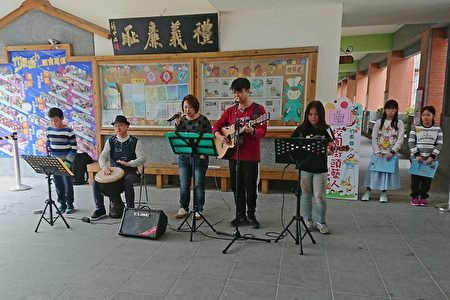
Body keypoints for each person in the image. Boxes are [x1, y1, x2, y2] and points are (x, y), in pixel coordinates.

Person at [213, 77, 267, 229]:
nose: (237, 95)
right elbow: (216, 127)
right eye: (235, 92)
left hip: (251, 157)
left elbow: (263, 131)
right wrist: (222, 137)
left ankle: (251, 215)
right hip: (233, 156)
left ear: (248, 91)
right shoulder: (231, 111)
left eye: (240, 92)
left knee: (250, 188)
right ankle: (240, 215)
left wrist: (253, 130)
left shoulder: (259, 110)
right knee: (236, 187)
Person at [290, 100, 335, 234]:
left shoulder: (326, 129)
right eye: (310, 114)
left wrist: (331, 149)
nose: (313, 117)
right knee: (305, 195)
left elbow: (332, 146)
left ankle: (321, 222)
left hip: (320, 169)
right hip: (304, 167)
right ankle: (308, 221)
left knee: (319, 196)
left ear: (321, 115)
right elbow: (291, 144)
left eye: (316, 114)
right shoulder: (301, 129)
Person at [90, 115, 145, 220]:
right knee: (96, 181)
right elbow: (102, 156)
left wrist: (129, 163)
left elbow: (142, 159)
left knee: (127, 181)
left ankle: (130, 210)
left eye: (121, 125)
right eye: (116, 126)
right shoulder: (111, 141)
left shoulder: (135, 142)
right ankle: (100, 209)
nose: (118, 128)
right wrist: (104, 167)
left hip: (131, 171)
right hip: (114, 171)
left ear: (127, 126)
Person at [173, 94, 212, 220]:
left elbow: (209, 139)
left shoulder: (203, 120)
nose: (187, 110)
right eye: (185, 107)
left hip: (199, 158)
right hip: (184, 157)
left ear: (195, 107)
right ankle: (183, 208)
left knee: (198, 185)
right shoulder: (182, 120)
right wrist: (177, 125)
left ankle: (198, 209)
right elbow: (177, 139)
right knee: (184, 184)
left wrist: (204, 153)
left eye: (189, 107)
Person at [362, 99, 404, 203]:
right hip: (378, 154)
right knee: (373, 172)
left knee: (386, 173)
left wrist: (393, 151)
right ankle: (368, 191)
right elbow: (374, 137)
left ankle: (383, 193)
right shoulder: (379, 122)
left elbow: (400, 139)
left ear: (397, 110)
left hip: (390, 154)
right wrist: (377, 151)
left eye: (393, 109)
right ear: (385, 110)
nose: (390, 111)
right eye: (388, 108)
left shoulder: (399, 123)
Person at [408, 106, 443, 206]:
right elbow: (411, 142)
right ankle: (414, 197)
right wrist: (417, 155)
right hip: (416, 159)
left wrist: (432, 156)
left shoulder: (437, 129)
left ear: (433, 116)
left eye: (428, 115)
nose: (425, 117)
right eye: (423, 115)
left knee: (427, 180)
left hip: (430, 160)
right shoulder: (415, 127)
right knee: (415, 179)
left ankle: (423, 197)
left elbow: (439, 144)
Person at [46, 107, 78, 214]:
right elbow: (48, 144)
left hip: (66, 161)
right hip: (55, 161)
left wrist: (68, 162)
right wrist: (49, 157)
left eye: (56, 120)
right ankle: (62, 203)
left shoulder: (69, 131)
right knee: (57, 183)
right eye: (51, 120)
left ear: (62, 118)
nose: (54, 123)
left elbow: (73, 149)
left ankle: (70, 204)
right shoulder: (49, 130)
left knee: (67, 183)